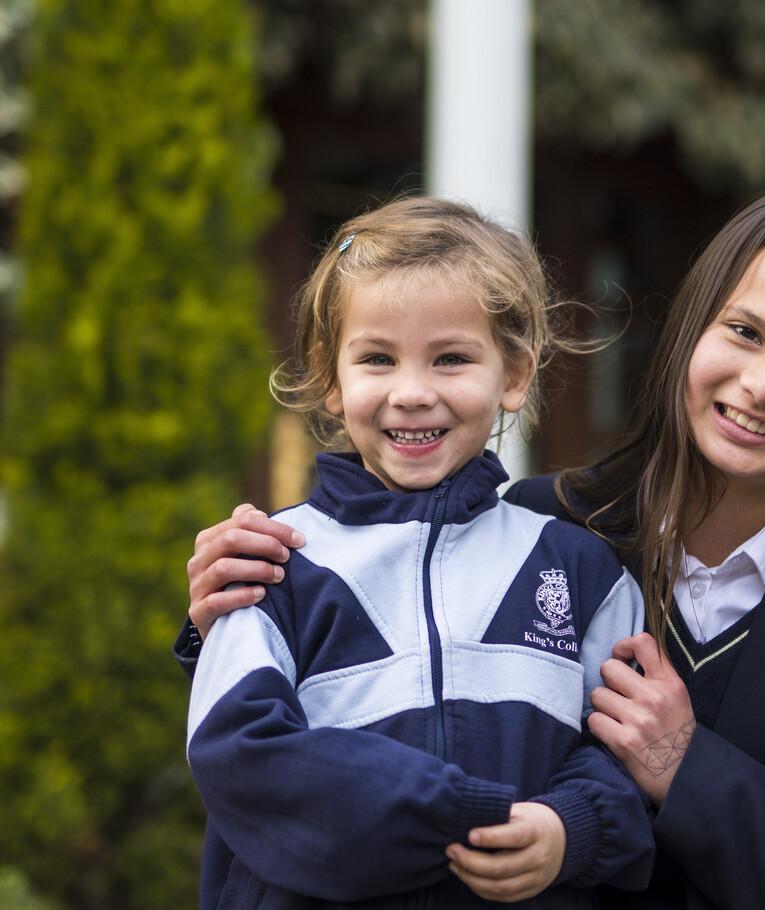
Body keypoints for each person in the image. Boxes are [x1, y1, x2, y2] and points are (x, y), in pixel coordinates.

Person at [181, 185, 765, 910]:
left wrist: (690, 772)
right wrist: (233, 604)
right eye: (743, 332)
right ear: (689, 337)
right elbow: (368, 680)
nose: (763, 383)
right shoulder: (547, 532)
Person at [183, 196, 654, 909]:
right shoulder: (274, 561)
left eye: (451, 358)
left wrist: (571, 828)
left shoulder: (579, 571)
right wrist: (454, 811)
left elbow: (629, 759)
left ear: (516, 374)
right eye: (377, 358)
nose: (412, 393)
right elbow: (238, 754)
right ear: (331, 377)